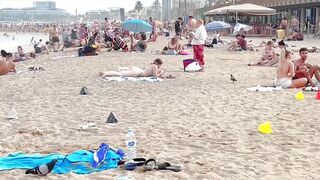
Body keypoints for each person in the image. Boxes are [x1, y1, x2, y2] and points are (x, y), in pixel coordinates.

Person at [98, 58, 165, 78]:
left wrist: (159, 71)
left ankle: (105, 73)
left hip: (138, 70)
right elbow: (155, 76)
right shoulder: (155, 66)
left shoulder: (152, 65)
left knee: (121, 73)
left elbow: (153, 72)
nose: (159, 67)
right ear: (158, 64)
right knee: (121, 74)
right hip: (138, 72)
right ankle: (105, 73)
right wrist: (161, 73)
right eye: (160, 65)